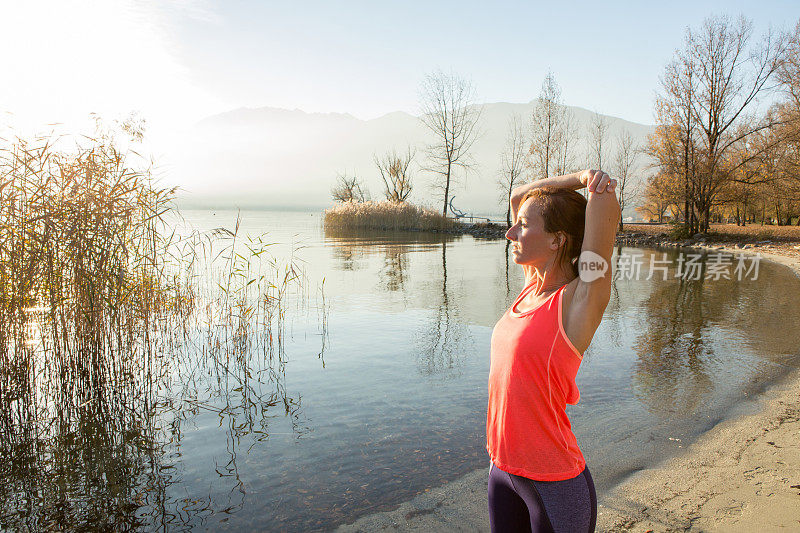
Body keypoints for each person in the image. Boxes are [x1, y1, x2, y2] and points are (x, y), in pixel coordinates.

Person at [486, 169, 620, 533]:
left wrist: (597, 186)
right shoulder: (532, 286)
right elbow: (518, 195)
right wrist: (577, 177)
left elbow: (604, 208)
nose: (511, 233)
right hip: (502, 470)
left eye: (524, 226)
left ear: (558, 240)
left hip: (555, 483)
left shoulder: (580, 299)